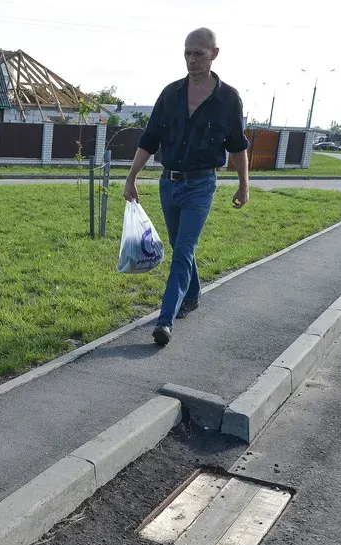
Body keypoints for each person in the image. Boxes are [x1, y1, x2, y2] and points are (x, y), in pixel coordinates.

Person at [123, 27, 250, 347]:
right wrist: (131, 177)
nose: (192, 60)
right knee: (182, 245)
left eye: (199, 54)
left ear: (214, 54)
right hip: (170, 184)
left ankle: (166, 319)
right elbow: (149, 139)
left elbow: (237, 145)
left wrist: (243, 185)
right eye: (187, 53)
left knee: (181, 251)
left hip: (201, 185)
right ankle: (192, 294)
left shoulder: (228, 99)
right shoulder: (170, 94)